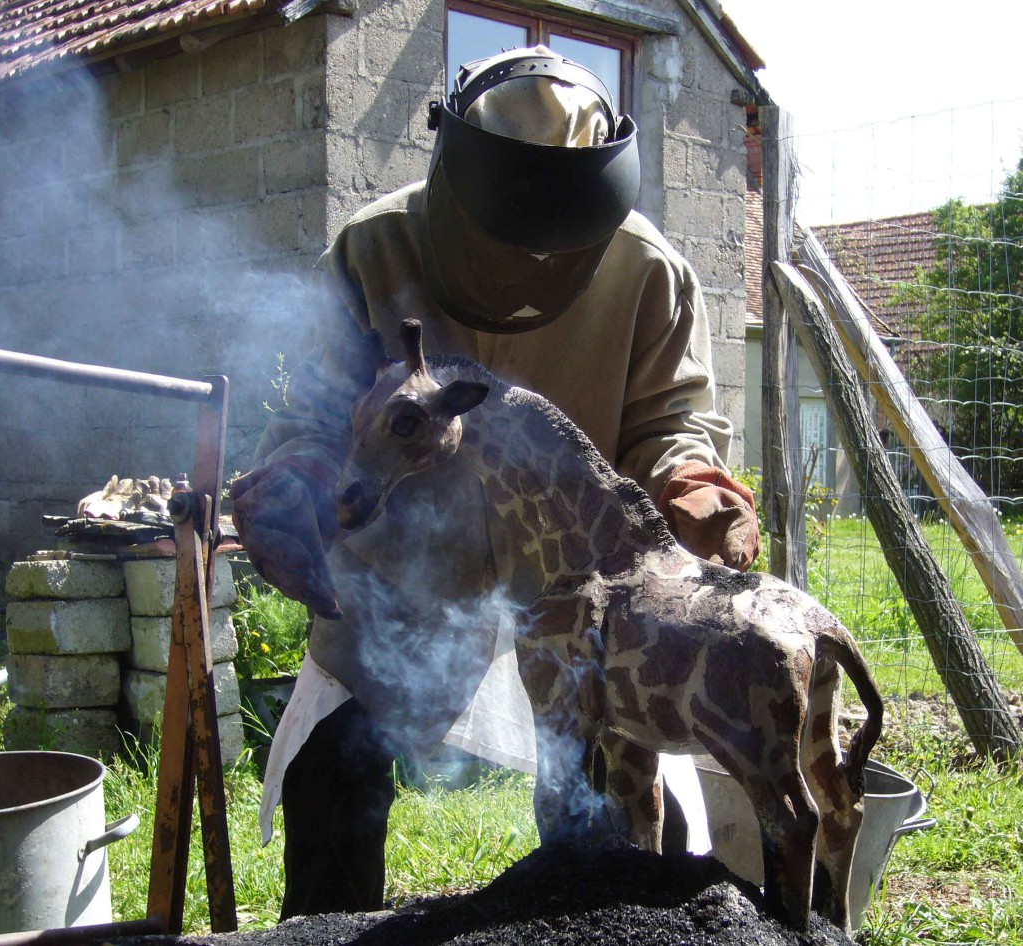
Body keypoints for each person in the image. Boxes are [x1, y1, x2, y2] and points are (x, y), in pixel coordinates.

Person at [230, 45, 760, 920]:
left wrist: (691, 488)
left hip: (576, 598)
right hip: (402, 585)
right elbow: (318, 417)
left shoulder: (651, 272)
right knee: (333, 774)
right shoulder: (374, 249)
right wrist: (298, 479)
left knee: (610, 830)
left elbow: (675, 423)